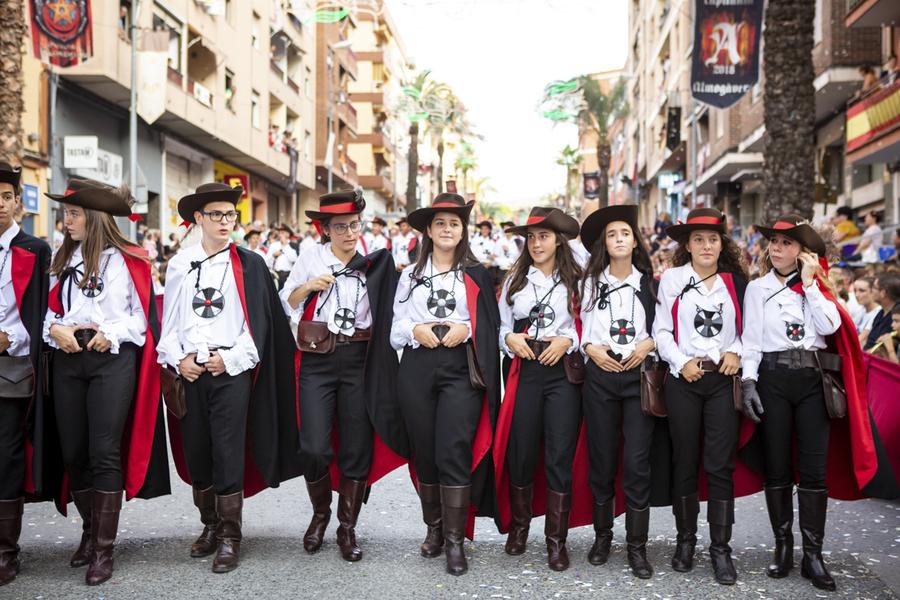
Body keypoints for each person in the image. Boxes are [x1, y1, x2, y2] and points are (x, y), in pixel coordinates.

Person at [740, 215, 900, 591]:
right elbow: (750, 340)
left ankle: (813, 554)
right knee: (777, 466)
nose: (777, 249)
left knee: (813, 468)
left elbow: (828, 328)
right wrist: (749, 383)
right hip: (773, 378)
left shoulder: (818, 289)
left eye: (787, 243)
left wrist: (811, 285)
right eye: (774, 243)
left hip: (813, 382)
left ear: (802, 253)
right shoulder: (757, 289)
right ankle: (783, 547)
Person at [157, 183, 301, 573]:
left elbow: (260, 327)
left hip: (230, 372)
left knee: (227, 451)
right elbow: (168, 324)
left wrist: (231, 358)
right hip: (190, 373)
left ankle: (230, 536)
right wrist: (178, 358)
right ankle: (209, 526)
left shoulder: (250, 264)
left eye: (230, 215)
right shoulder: (180, 264)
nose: (225, 222)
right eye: (216, 215)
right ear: (198, 219)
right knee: (197, 451)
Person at [43, 178, 171, 585]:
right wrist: (56, 330)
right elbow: (44, 312)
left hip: (112, 361)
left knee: (103, 449)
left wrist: (110, 332)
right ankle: (87, 529)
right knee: (75, 451)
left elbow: (141, 317)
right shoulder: (61, 260)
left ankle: (103, 548)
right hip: (68, 360)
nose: (67, 221)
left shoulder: (129, 260)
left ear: (95, 217)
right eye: (65, 213)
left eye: (74, 213)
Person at [279, 190, 403, 562]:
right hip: (317, 359)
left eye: (354, 225)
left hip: (360, 360)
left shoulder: (375, 263)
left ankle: (347, 527)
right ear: (325, 229)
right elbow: (288, 299)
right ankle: (320, 514)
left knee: (356, 445)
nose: (350, 233)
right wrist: (309, 286)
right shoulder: (310, 258)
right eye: (341, 227)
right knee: (313, 444)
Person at [388, 193, 500, 576]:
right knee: (425, 451)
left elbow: (489, 325)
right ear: (428, 231)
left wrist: (463, 329)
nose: (447, 229)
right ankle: (434, 529)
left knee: (453, 448)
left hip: (459, 367)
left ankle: (454, 540)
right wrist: (415, 329)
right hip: (418, 366)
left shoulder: (477, 274)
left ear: (463, 230)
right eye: (440, 224)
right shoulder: (410, 275)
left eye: (454, 223)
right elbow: (395, 328)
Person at [652, 208, 746, 586]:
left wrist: (736, 350)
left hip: (722, 381)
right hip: (684, 380)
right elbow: (661, 331)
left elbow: (747, 330)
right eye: (698, 239)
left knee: (721, 464)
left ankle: (720, 549)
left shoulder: (736, 283)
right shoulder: (673, 279)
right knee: (685, 461)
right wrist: (679, 361)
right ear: (687, 245)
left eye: (712, 239)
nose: (706, 245)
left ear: (722, 243)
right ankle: (685, 542)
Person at [579, 204, 667, 579]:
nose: (618, 239)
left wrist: (646, 347)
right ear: (604, 243)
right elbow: (580, 328)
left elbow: (663, 330)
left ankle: (637, 546)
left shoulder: (650, 283)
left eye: (625, 234)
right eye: (611, 234)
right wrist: (590, 348)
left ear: (635, 242)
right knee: (600, 460)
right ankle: (602, 537)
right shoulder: (589, 283)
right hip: (600, 376)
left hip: (637, 379)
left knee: (636, 462)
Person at [493, 207, 583, 572]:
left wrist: (569, 340)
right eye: (530, 237)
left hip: (562, 372)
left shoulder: (577, 280)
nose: (536, 243)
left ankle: (556, 540)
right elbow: (499, 329)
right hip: (525, 371)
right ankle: (519, 527)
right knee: (521, 450)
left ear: (558, 240)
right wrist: (510, 338)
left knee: (559, 454)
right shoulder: (516, 280)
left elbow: (588, 326)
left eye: (543, 236)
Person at [0, 162, 59, 586]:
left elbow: (39, 314)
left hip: (11, 369)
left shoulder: (34, 250)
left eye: (5, 197)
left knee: (6, 456)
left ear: (17, 203)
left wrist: (9, 337)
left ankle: (6, 551)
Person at [863, 274, 900, 351]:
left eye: (874, 288)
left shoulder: (896, 316)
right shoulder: (881, 312)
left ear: (883, 293)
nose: (871, 291)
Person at [268, 225, 298, 289]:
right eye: (280, 233)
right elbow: (267, 261)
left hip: (288, 275)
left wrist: (285, 245)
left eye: (283, 233)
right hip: (276, 275)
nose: (281, 235)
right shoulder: (274, 245)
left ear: (288, 234)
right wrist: (273, 256)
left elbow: (294, 259)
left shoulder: (294, 245)